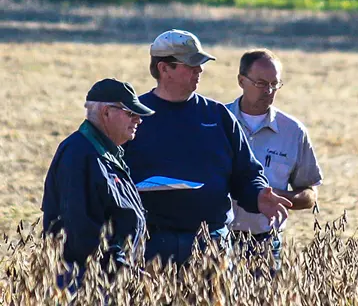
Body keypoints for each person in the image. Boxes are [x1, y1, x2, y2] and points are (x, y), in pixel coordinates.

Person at [123, 29, 293, 267]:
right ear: (164, 68)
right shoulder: (132, 116)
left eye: (200, 64)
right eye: (191, 64)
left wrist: (258, 194)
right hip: (149, 244)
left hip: (211, 246)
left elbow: (246, 173)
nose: (199, 70)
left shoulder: (218, 117)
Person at [41, 78, 155, 286]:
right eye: (131, 113)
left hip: (107, 277)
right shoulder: (79, 155)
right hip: (85, 281)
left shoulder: (106, 152)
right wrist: (120, 269)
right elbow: (78, 231)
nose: (138, 120)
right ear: (106, 112)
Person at [226, 49, 323, 270]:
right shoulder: (216, 122)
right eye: (261, 83)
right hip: (218, 239)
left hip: (266, 243)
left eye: (275, 84)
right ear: (241, 81)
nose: (268, 91)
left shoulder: (294, 132)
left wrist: (279, 197)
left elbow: (310, 194)